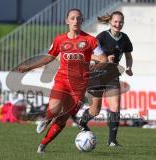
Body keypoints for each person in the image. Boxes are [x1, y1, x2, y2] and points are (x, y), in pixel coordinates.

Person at [18, 8, 107, 153]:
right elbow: (49, 57)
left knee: (62, 119)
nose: (75, 21)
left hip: (79, 86)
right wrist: (30, 67)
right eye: (72, 18)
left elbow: (103, 59)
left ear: (82, 20)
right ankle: (47, 118)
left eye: (78, 18)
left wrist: (94, 71)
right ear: (67, 21)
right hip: (62, 80)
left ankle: (42, 146)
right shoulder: (59, 39)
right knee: (54, 109)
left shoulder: (90, 40)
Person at [78, 11, 133, 147]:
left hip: (112, 75)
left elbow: (129, 56)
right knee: (95, 110)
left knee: (115, 106)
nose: (118, 24)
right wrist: (104, 59)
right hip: (97, 75)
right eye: (115, 21)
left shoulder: (124, 38)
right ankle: (82, 122)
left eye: (120, 22)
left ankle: (112, 141)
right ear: (110, 22)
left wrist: (129, 67)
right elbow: (89, 54)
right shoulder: (102, 36)